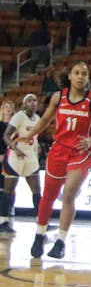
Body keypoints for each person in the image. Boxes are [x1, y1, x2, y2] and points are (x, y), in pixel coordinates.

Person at [23, 62, 91, 258]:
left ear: (88, 78)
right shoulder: (58, 97)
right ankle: (40, 234)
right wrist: (32, 134)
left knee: (69, 193)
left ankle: (61, 241)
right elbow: (45, 119)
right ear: (69, 76)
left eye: (85, 74)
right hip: (59, 150)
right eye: (77, 73)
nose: (81, 77)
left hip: (81, 151)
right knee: (48, 196)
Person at [0, 95, 43, 233]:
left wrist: (36, 153)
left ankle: (41, 223)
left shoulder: (38, 119)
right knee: (8, 191)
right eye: (29, 101)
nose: (32, 103)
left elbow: (35, 140)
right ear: (24, 104)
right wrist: (15, 149)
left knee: (37, 191)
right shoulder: (18, 116)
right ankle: (3, 222)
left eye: (34, 101)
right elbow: (6, 136)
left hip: (30, 155)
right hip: (15, 155)